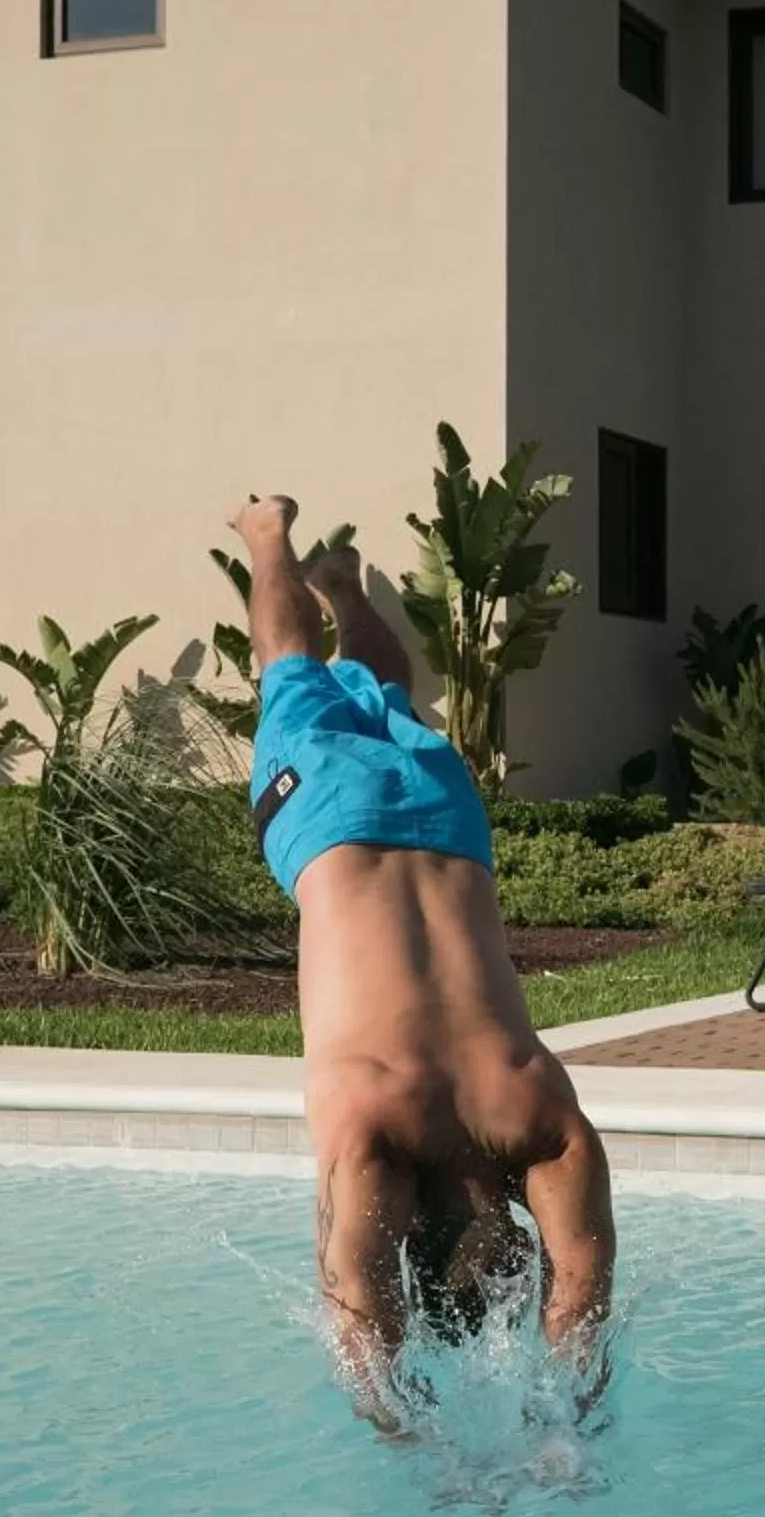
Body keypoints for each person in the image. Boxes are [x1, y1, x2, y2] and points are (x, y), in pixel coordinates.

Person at [226, 494, 614, 1433]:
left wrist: (567, 1434)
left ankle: (343, 588)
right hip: (329, 824)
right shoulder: (372, 1127)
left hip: (449, 822)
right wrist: (420, 1445)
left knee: (391, 703)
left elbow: (582, 1292)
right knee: (290, 675)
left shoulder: (540, 1117)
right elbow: (362, 1332)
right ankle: (264, 533)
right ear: (410, 1226)